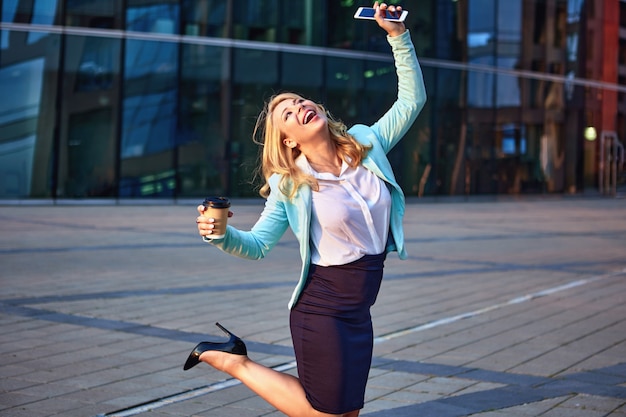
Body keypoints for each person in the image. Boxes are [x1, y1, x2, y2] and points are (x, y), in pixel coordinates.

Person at [185, 3, 427, 416]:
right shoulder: (291, 184)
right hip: (323, 308)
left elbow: (412, 99)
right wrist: (219, 234)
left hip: (360, 309)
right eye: (287, 113)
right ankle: (231, 360)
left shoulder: (366, 144)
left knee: (346, 413)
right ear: (290, 140)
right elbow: (259, 244)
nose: (299, 107)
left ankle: (229, 356)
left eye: (299, 100)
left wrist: (397, 36)